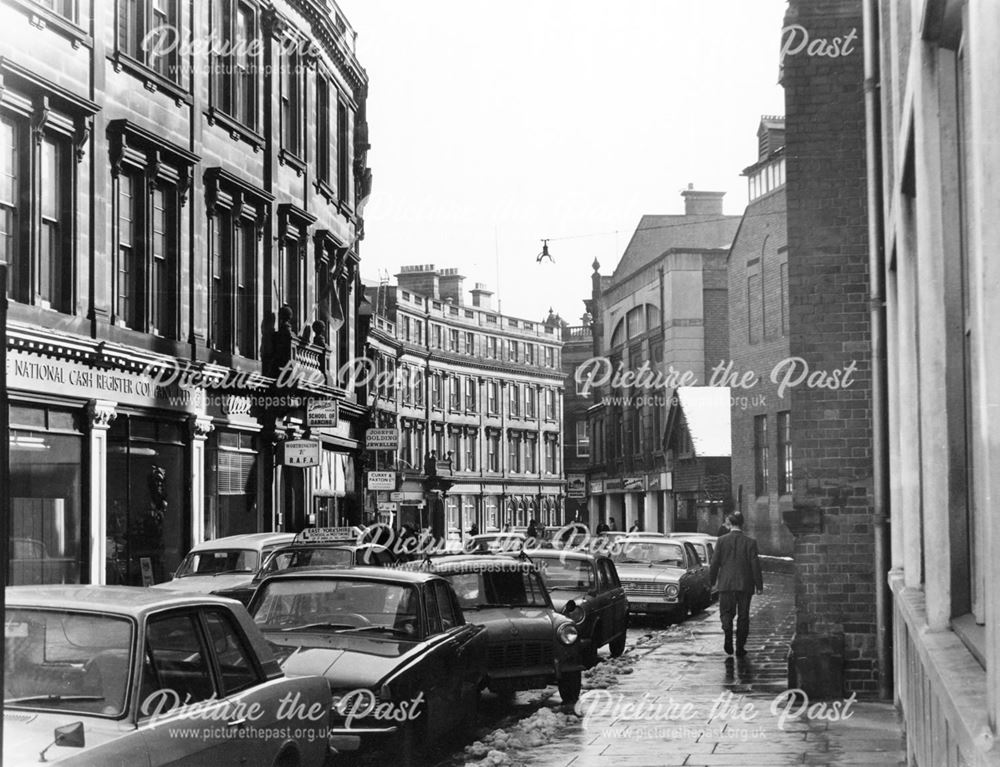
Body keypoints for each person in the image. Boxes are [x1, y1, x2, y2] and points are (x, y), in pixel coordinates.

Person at [708, 511, 763, 658]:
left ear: (730, 524)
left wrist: (711, 582)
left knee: (726, 612)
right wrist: (759, 585)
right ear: (742, 524)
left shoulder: (721, 541)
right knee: (743, 616)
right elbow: (755, 565)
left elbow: (714, 563)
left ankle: (727, 634)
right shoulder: (750, 542)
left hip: (726, 584)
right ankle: (740, 647)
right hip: (745, 585)